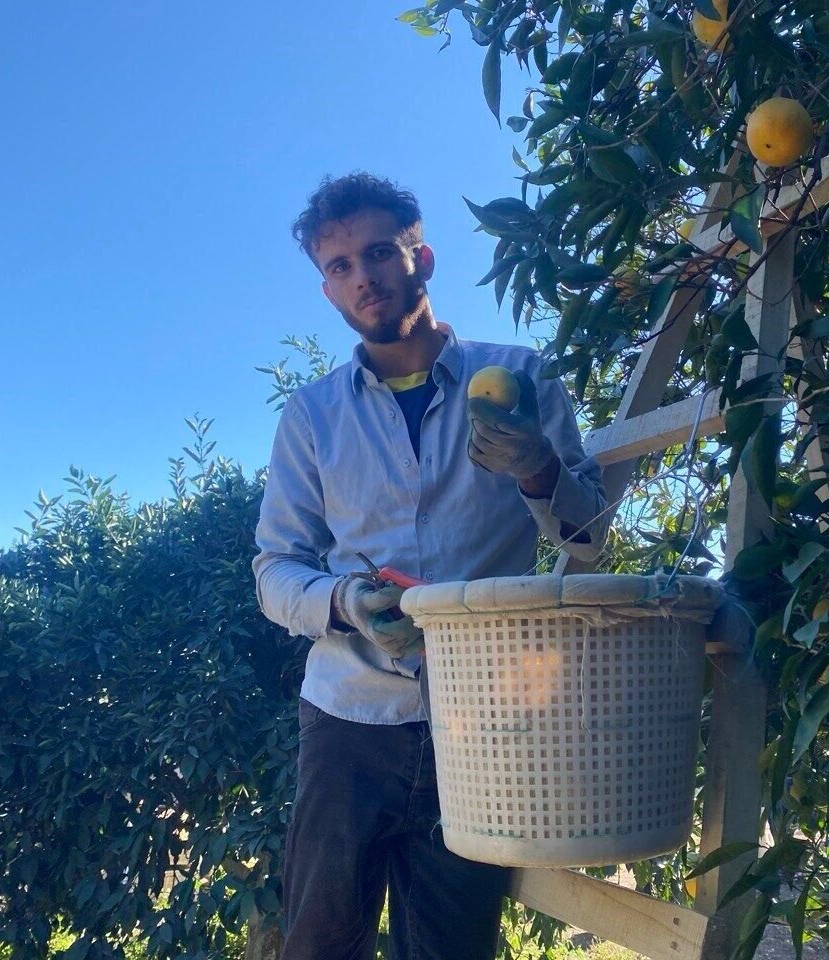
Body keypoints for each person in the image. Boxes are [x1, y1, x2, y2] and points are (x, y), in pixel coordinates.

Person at [251, 172, 610, 960]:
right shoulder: (311, 416)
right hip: (348, 721)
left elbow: (589, 543)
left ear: (424, 257)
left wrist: (538, 468)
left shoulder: (520, 380)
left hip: (482, 723)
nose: (364, 277)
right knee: (318, 946)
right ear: (327, 289)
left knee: (453, 950)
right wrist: (347, 602)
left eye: (380, 252)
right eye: (340, 266)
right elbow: (275, 568)